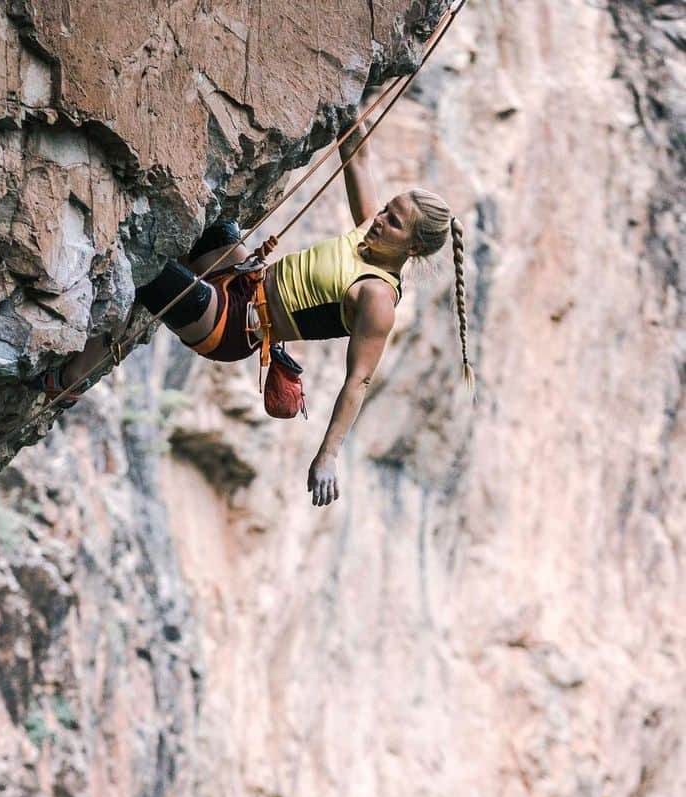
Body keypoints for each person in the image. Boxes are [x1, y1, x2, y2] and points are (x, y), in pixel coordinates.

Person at [42, 119, 474, 509]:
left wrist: (327, 455)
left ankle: (71, 379)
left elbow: (358, 380)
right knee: (202, 212)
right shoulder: (370, 234)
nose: (380, 219)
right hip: (243, 280)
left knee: (145, 266)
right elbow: (357, 156)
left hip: (233, 326)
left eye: (394, 222)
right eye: (386, 210)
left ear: (412, 248)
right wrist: (359, 100)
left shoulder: (377, 297)